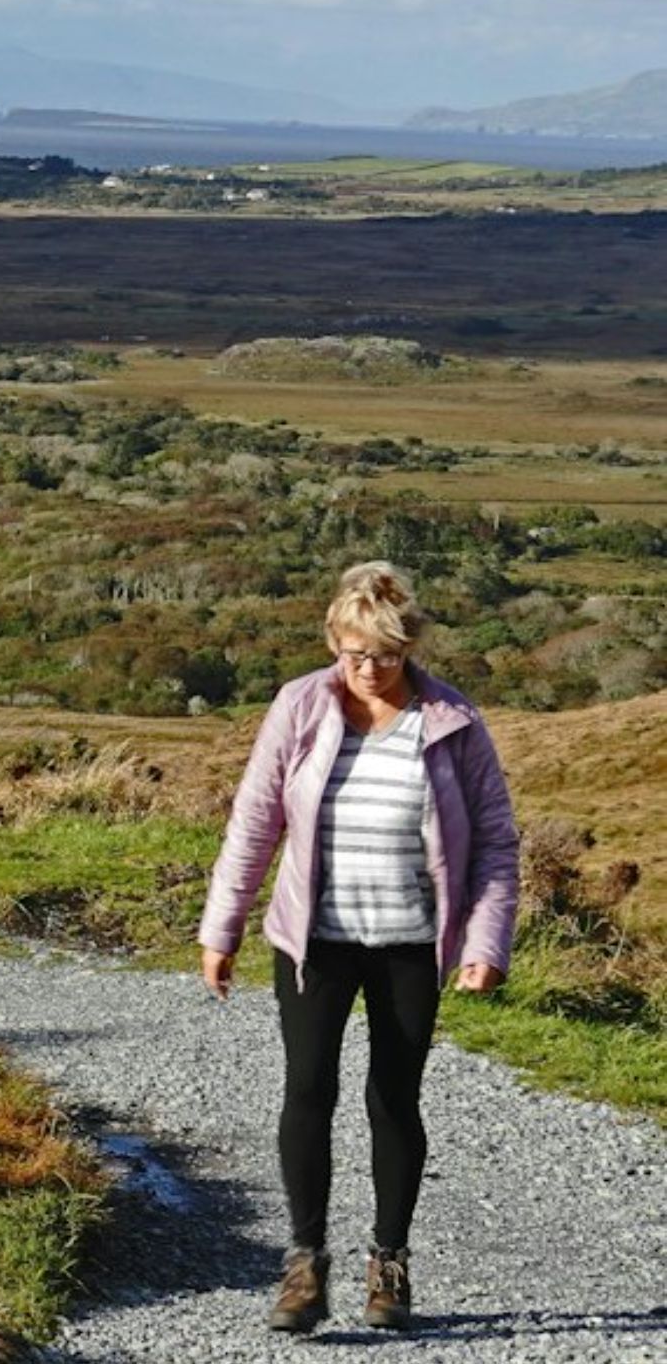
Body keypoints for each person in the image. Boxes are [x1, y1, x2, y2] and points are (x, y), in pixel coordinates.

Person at [196, 561, 519, 1335]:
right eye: (353, 654)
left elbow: (497, 845)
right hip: (316, 942)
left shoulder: (453, 721)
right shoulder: (300, 707)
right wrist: (222, 929)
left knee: (393, 1099)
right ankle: (305, 1267)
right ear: (334, 643)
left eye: (385, 655)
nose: (368, 670)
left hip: (410, 943)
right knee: (308, 1090)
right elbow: (255, 822)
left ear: (411, 648)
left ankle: (390, 1266)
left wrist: (485, 942)